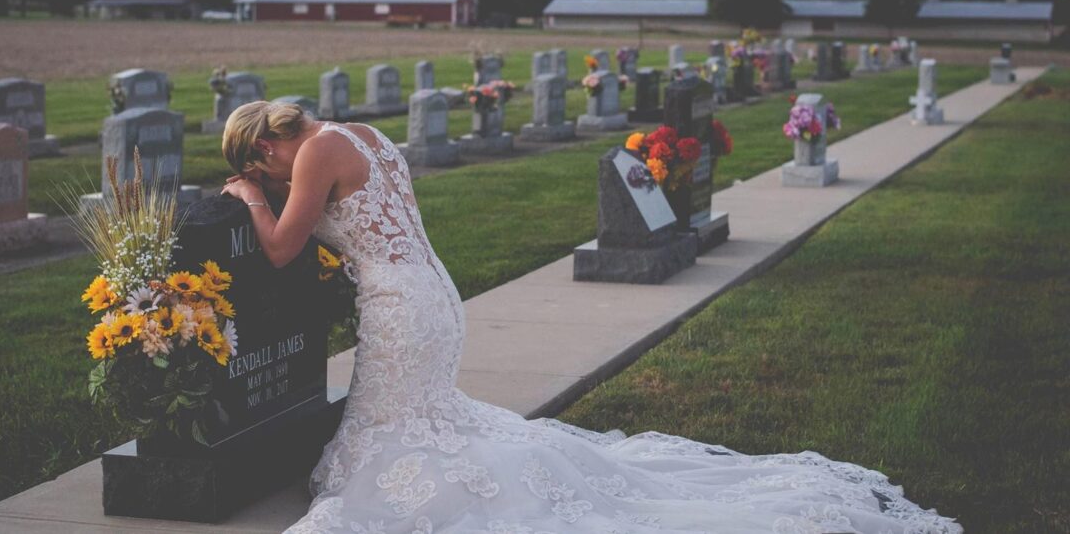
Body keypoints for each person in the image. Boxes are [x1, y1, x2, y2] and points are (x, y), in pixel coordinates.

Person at [220, 101, 961, 534]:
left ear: (264, 141)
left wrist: (249, 201)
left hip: (400, 303)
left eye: (265, 167)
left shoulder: (313, 151)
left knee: (385, 452)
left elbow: (283, 246)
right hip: (429, 290)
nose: (275, 178)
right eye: (265, 179)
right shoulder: (360, 133)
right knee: (417, 419)